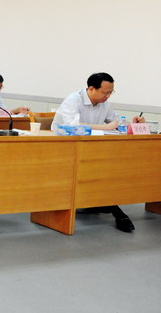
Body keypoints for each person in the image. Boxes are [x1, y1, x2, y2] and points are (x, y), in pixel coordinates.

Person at [52, 72, 145, 233]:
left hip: (89, 148)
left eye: (110, 92)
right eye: (105, 92)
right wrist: (104, 127)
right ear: (91, 89)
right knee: (97, 169)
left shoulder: (105, 104)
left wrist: (132, 123)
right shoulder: (73, 100)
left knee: (109, 168)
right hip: (63, 148)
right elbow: (71, 125)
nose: (107, 96)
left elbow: (116, 121)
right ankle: (115, 211)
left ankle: (103, 203)